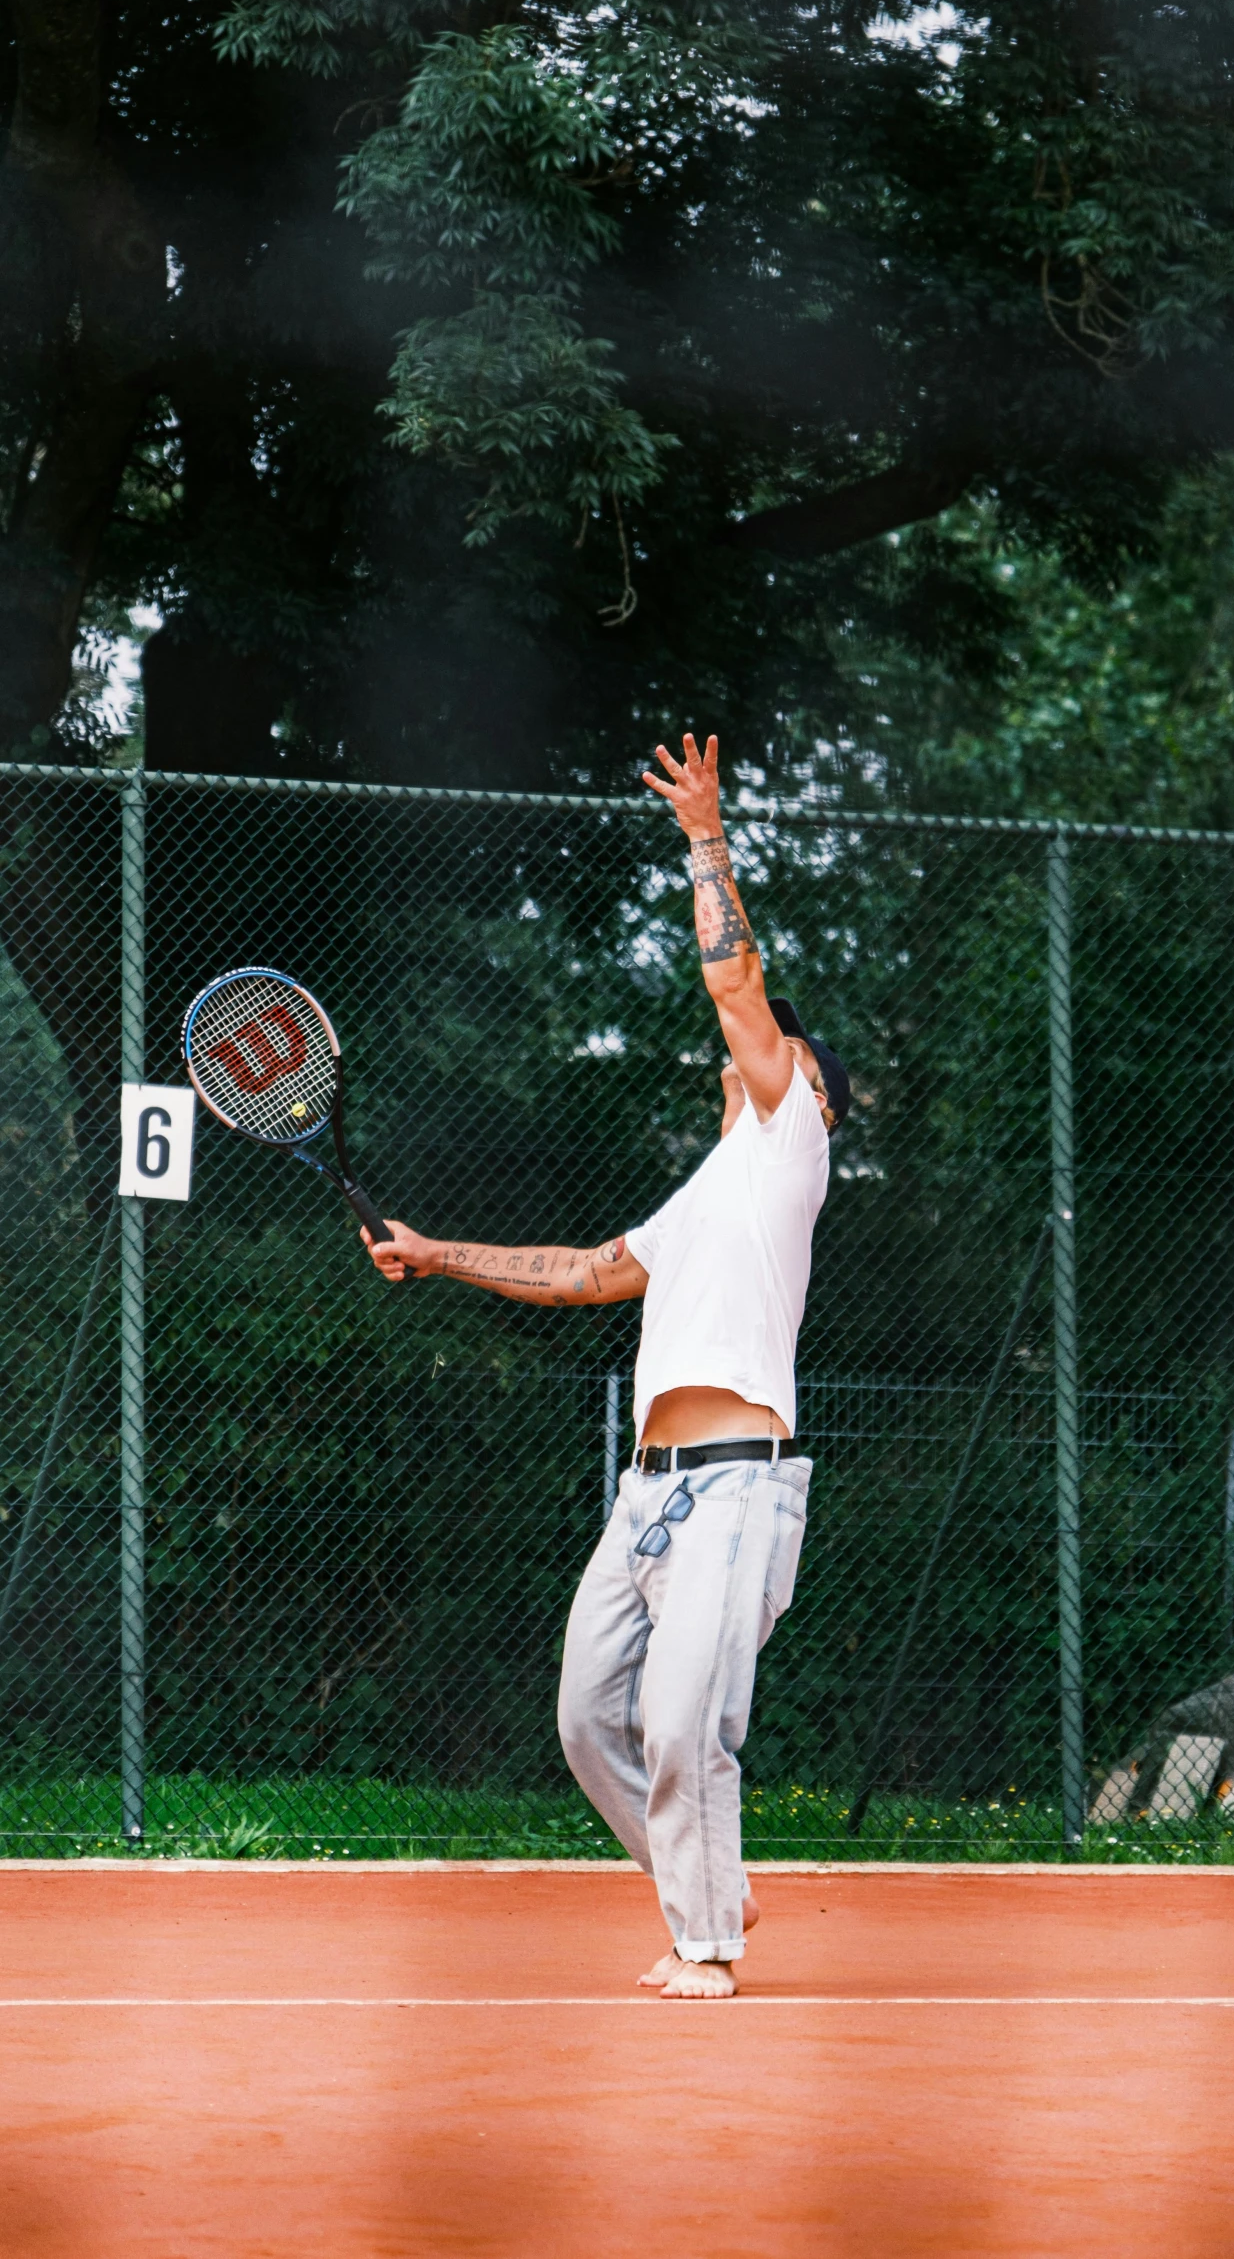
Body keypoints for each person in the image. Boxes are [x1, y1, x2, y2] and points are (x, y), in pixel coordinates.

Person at [363, 732, 849, 1999]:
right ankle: (712, 1883)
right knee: (590, 1719)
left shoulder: (792, 1143)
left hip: (740, 1484)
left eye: (768, 1053)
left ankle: (707, 1942)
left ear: (810, 1091)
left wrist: (705, 834)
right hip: (646, 1495)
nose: (744, 1057)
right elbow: (582, 1271)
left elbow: (739, 990)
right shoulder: (703, 1193)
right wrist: (436, 1253)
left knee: (686, 1721)